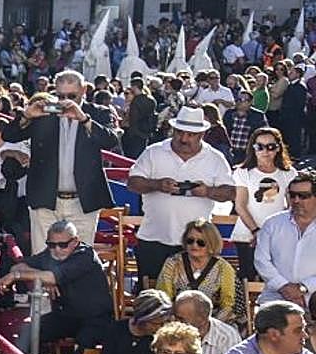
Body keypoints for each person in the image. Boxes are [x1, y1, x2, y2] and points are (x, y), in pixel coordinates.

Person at [6, 73, 121, 251]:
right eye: (60, 96)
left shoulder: (98, 112)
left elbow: (111, 140)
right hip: (45, 198)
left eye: (72, 96)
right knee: (43, 258)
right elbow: (9, 135)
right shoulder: (44, 113)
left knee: (80, 261)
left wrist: (84, 119)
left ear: (83, 91)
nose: (66, 102)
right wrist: (27, 115)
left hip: (82, 202)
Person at [126, 106, 236, 289]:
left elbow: (230, 192)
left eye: (190, 135)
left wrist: (207, 191)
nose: (184, 139)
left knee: (192, 296)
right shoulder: (154, 152)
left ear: (202, 134)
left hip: (196, 243)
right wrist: (157, 185)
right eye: (180, 133)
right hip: (155, 238)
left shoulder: (215, 158)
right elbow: (132, 183)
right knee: (151, 296)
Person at [0, 218, 115, 348]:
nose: (57, 249)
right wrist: (45, 278)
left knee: (84, 346)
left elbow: (47, 276)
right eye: (51, 245)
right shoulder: (50, 254)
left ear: (75, 242)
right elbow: (18, 267)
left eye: (63, 245)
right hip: (66, 316)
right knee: (28, 333)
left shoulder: (85, 255)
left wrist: (19, 276)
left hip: (95, 318)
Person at [230, 125, 295, 278]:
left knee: (277, 279)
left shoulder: (289, 173)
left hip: (278, 237)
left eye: (270, 146)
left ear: (278, 148)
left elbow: (292, 206)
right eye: (260, 147)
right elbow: (240, 205)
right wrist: (256, 232)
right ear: (253, 148)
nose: (265, 151)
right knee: (247, 278)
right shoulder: (243, 172)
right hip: (247, 235)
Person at [153, 219, 238, 324]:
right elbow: (164, 299)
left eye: (201, 242)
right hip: (177, 321)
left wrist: (208, 325)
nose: (194, 245)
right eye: (190, 241)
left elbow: (227, 305)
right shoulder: (173, 263)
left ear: (211, 243)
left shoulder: (223, 268)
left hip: (213, 322)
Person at [255, 171, 316, 306]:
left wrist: (303, 288)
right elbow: (261, 260)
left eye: (303, 196)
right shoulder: (272, 223)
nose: (296, 200)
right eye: (292, 195)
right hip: (275, 297)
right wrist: (284, 287)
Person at [168, 289, 239, 354]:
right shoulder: (170, 331)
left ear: (202, 319)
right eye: (174, 316)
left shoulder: (227, 336)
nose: (175, 322)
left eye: (181, 319)